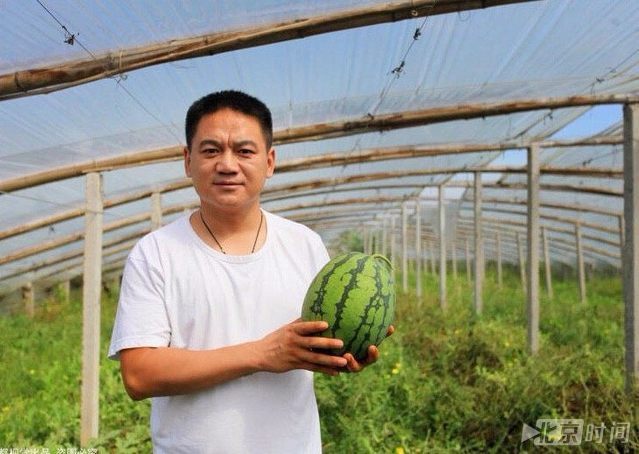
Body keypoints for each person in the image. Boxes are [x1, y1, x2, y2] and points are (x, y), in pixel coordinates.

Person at [108, 90, 391, 453]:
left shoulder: (304, 244)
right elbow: (139, 375)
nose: (227, 165)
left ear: (269, 162)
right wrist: (261, 354)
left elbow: (314, 339)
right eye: (211, 150)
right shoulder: (155, 253)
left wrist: (341, 350)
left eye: (244, 151)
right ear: (187, 161)